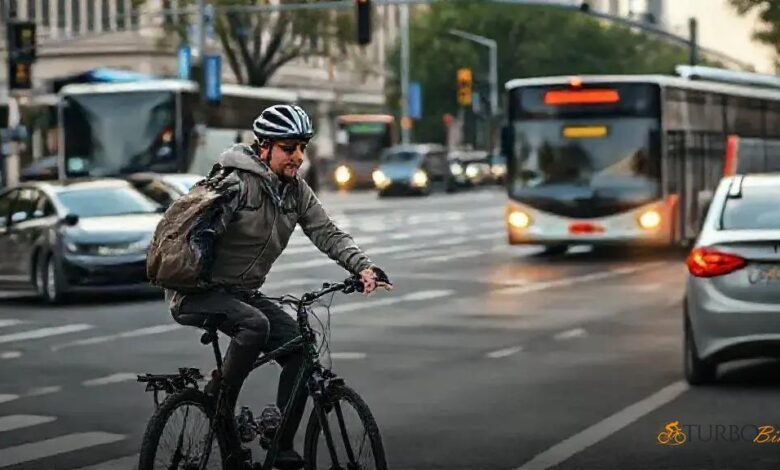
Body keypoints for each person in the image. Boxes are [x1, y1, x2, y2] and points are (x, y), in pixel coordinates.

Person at [167, 104, 391, 469]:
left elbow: (327, 232)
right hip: (196, 291)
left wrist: (362, 266)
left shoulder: (296, 192)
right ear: (264, 147)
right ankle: (218, 398)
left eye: (302, 147)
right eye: (289, 148)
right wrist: (206, 242)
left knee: (301, 347)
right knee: (256, 325)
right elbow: (192, 233)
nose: (298, 156)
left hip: (241, 293)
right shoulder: (233, 183)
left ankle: (281, 444)